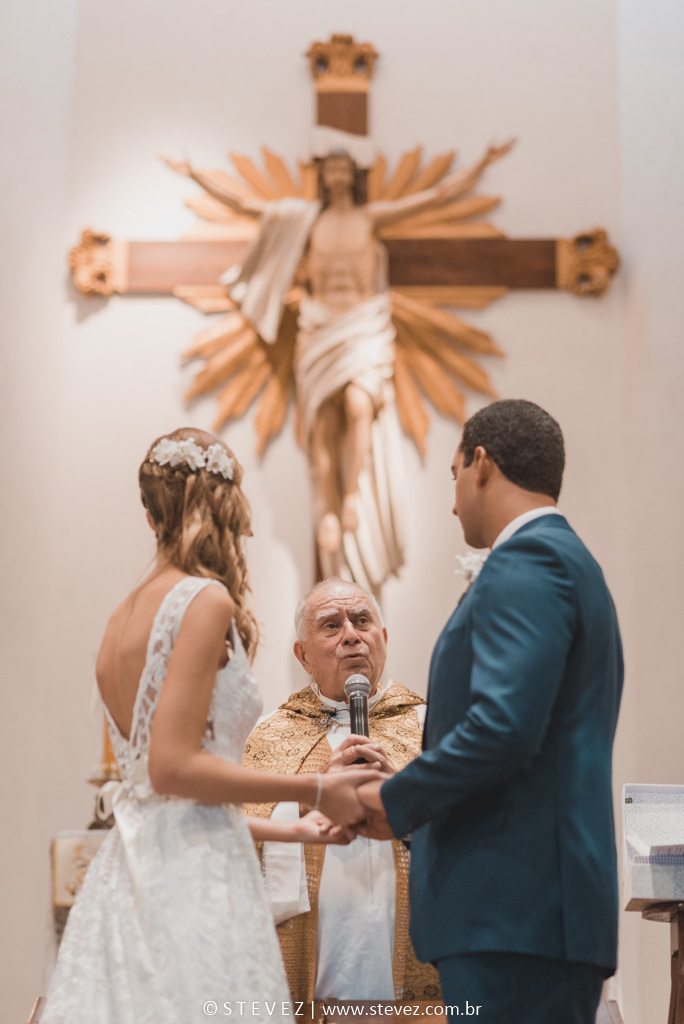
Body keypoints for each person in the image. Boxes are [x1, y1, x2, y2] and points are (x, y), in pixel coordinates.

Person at [42, 428, 377, 1024]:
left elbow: (166, 799)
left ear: (152, 512)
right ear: (228, 504)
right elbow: (173, 769)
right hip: (191, 882)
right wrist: (317, 789)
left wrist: (296, 833)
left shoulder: (123, 614)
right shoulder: (204, 601)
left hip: (135, 866)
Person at [355, 399, 624, 1024]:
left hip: (513, 913)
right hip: (528, 913)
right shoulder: (566, 560)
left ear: (481, 463)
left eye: (452, 476)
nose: (451, 504)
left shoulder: (528, 560)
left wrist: (389, 801)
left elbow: (502, 729)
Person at [165, 142, 513, 590]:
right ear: (322, 175)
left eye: (341, 167)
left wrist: (479, 164)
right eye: (328, 168)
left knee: (357, 405)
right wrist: (194, 170)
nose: (335, 175)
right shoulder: (306, 219)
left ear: (352, 173)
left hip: (362, 325)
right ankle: (326, 507)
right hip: (319, 326)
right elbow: (247, 205)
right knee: (321, 422)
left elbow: (433, 199)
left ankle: (350, 497)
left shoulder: (371, 219)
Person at [242, 577, 440, 1003]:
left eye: (362, 620)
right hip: (315, 966)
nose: (351, 635)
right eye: (331, 625)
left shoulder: (431, 727)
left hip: (414, 955)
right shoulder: (270, 734)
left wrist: (404, 797)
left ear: (383, 638)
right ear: (303, 654)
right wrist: (311, 793)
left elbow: (470, 832)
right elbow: (240, 842)